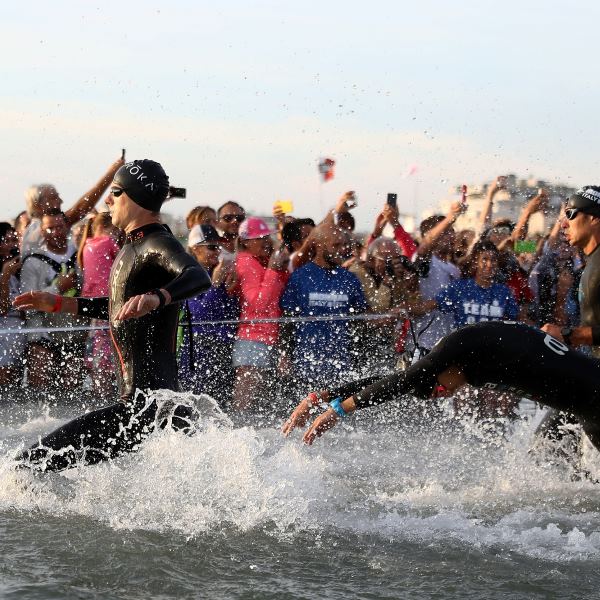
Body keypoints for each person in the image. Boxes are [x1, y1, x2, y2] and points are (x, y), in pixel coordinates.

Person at [13, 159, 211, 472]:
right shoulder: (134, 245)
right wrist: (62, 303)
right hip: (152, 407)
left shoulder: (157, 242)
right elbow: (121, 306)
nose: (108, 200)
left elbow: (198, 276)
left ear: (136, 198)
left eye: (115, 192)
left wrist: (158, 297)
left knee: (25, 467)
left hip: (144, 408)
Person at [281, 321, 600, 451]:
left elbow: (406, 380)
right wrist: (318, 397)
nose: (442, 394)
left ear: (440, 367)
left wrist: (338, 410)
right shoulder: (465, 360)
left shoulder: (462, 344)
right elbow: (395, 380)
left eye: (436, 390)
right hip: (586, 410)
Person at [280, 224, 367, 394]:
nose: (342, 250)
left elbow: (362, 319)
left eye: (343, 245)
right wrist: (284, 355)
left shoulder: (349, 279)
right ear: (319, 245)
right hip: (305, 364)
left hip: (342, 366)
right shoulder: (300, 277)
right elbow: (287, 320)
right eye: (336, 245)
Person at [20, 209, 87, 390]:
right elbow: (26, 307)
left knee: (72, 393)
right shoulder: (32, 261)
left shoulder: (80, 253)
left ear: (67, 227)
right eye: (50, 228)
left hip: (74, 333)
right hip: (43, 334)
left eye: (60, 227)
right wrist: (58, 288)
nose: (56, 232)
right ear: (42, 231)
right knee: (40, 393)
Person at [232, 217, 289, 411]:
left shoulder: (258, 262)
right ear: (246, 241)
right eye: (260, 238)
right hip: (253, 339)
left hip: (264, 338)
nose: (265, 241)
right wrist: (273, 269)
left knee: (257, 403)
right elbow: (258, 304)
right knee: (245, 403)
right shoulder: (247, 263)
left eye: (267, 237)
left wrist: (277, 268)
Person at [178, 223, 239, 405]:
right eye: (211, 247)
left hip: (222, 347)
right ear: (195, 248)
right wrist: (216, 285)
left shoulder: (217, 272)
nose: (217, 252)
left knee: (221, 406)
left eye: (218, 247)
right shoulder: (187, 273)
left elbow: (231, 313)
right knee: (195, 404)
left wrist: (230, 290)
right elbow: (199, 314)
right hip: (198, 348)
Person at [21, 157, 123, 256]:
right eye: (54, 198)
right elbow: (80, 209)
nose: (60, 201)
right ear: (37, 205)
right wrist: (111, 173)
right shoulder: (36, 229)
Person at [77, 212, 122, 392]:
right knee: (110, 339)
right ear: (105, 228)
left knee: (97, 341)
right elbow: (123, 261)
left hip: (90, 301)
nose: (117, 236)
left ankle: (99, 384)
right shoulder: (108, 242)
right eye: (115, 231)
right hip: (108, 299)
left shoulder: (85, 245)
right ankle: (109, 383)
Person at [0, 223, 25, 387]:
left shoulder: (18, 266)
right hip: (3, 335)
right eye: (5, 241)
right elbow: (2, 308)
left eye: (13, 240)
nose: (11, 245)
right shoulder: (6, 270)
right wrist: (5, 276)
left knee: (16, 386)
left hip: (19, 334)